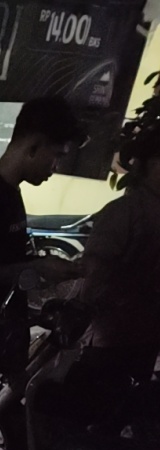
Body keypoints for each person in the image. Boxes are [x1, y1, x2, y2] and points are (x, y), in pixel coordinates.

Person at [0, 95, 84, 316]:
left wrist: (40, 268)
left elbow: (5, 262)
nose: (57, 166)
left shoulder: (10, 192)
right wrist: (38, 267)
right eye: (57, 156)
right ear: (33, 147)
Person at [76, 98, 160, 388]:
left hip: (111, 338)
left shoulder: (125, 211)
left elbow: (93, 274)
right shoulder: (127, 212)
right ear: (150, 163)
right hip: (133, 337)